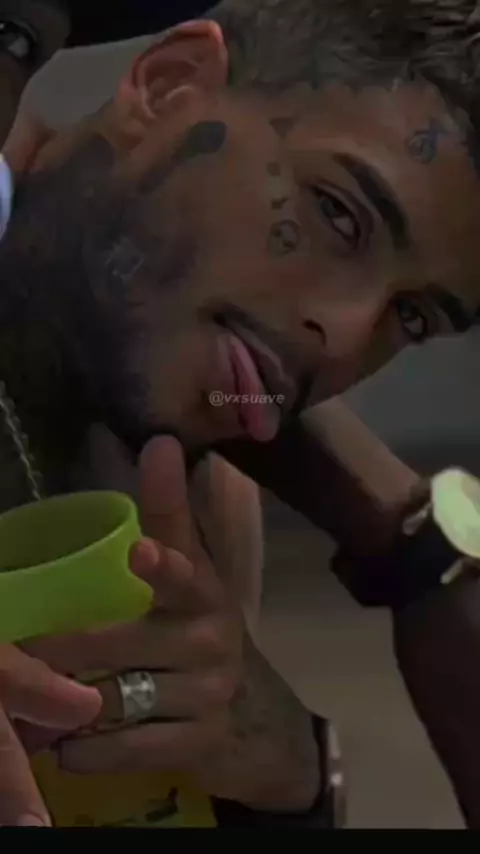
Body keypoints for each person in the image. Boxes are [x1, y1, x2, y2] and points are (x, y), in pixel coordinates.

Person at [2, 0, 480, 829]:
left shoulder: (195, 503)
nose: (344, 335)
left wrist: (291, 781)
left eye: (410, 318)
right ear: (169, 83)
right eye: (339, 214)